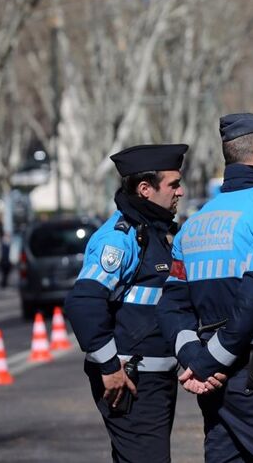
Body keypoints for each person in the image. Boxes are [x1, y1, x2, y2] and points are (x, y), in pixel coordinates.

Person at [157, 113, 253, 463]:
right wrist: (213, 360)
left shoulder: (194, 224)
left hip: (215, 387)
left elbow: (171, 306)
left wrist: (194, 358)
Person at [64, 144, 188, 463]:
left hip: (152, 380)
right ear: (146, 190)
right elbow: (83, 302)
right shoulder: (120, 239)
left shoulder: (153, 233)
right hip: (131, 381)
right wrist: (109, 366)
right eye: (173, 184)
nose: (181, 191)